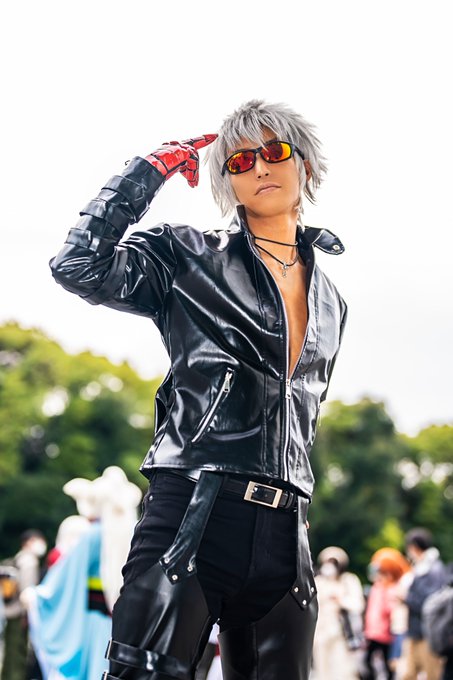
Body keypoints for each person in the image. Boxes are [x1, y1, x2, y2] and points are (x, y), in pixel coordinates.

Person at [50, 99, 348, 680]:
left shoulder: (332, 302)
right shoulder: (188, 255)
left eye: (274, 151)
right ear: (227, 182)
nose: (259, 167)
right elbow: (77, 265)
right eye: (239, 160)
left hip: (287, 535)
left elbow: (302, 415)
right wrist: (148, 172)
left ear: (304, 164)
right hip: (192, 510)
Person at [24, 466, 142, 680]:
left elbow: (63, 579)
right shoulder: (136, 534)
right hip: (128, 628)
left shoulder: (94, 535)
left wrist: (37, 595)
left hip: (93, 625)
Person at [0, 529, 47, 680]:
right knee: (18, 653)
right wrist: (28, 615)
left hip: (10, 611)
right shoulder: (30, 561)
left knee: (10, 652)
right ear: (29, 542)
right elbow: (27, 592)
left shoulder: (18, 557)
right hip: (20, 613)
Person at [313, 546, 365, 680]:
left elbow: (358, 605)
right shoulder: (318, 582)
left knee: (343, 670)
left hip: (342, 634)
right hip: (321, 633)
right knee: (322, 670)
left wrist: (340, 599)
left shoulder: (349, 580)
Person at [402, 528, 446, 680]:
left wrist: (405, 597)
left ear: (414, 547)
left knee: (432, 675)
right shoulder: (421, 568)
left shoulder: (433, 570)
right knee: (408, 674)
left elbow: (429, 604)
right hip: (415, 631)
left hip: (427, 633)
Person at [363, 548, 411, 680]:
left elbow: (392, 611)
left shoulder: (393, 589)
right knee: (367, 662)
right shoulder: (376, 588)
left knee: (389, 664)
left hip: (387, 634)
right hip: (373, 633)